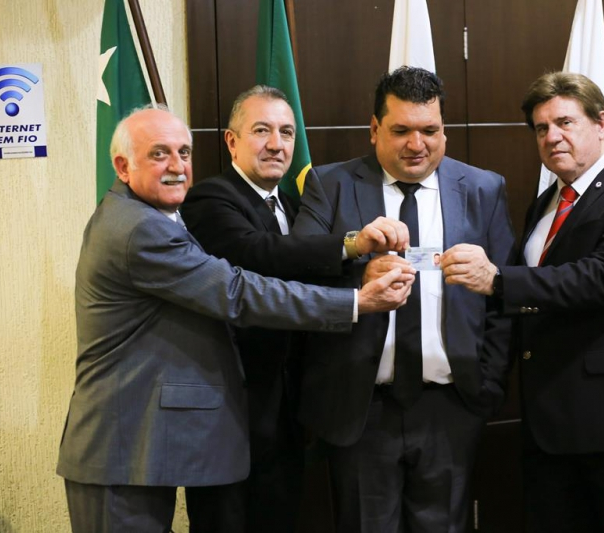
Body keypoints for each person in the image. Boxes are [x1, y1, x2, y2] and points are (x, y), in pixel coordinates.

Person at [56, 106, 412, 533]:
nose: (177, 166)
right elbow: (237, 291)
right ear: (122, 166)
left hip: (140, 444)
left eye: (184, 153)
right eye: (159, 154)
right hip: (121, 447)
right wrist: (356, 302)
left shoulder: (150, 215)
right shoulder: (139, 229)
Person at [442, 71, 604, 532]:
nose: (551, 136)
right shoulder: (545, 204)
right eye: (541, 128)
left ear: (602, 123)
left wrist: (498, 280)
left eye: (565, 122)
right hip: (551, 430)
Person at [180, 85, 412, 532]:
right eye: (261, 131)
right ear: (232, 141)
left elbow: (306, 277)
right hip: (232, 411)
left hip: (287, 412)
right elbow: (260, 254)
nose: (277, 144)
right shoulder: (210, 198)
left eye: (286, 132)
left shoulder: (292, 204)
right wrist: (354, 243)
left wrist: (366, 273)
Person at [292, 66, 514, 533]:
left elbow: (501, 295)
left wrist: (486, 386)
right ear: (375, 129)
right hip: (361, 407)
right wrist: (358, 276)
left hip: (452, 406)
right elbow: (297, 277)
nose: (417, 144)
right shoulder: (330, 185)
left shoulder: (482, 188)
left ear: (444, 130)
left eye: (430, 130)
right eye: (401, 131)